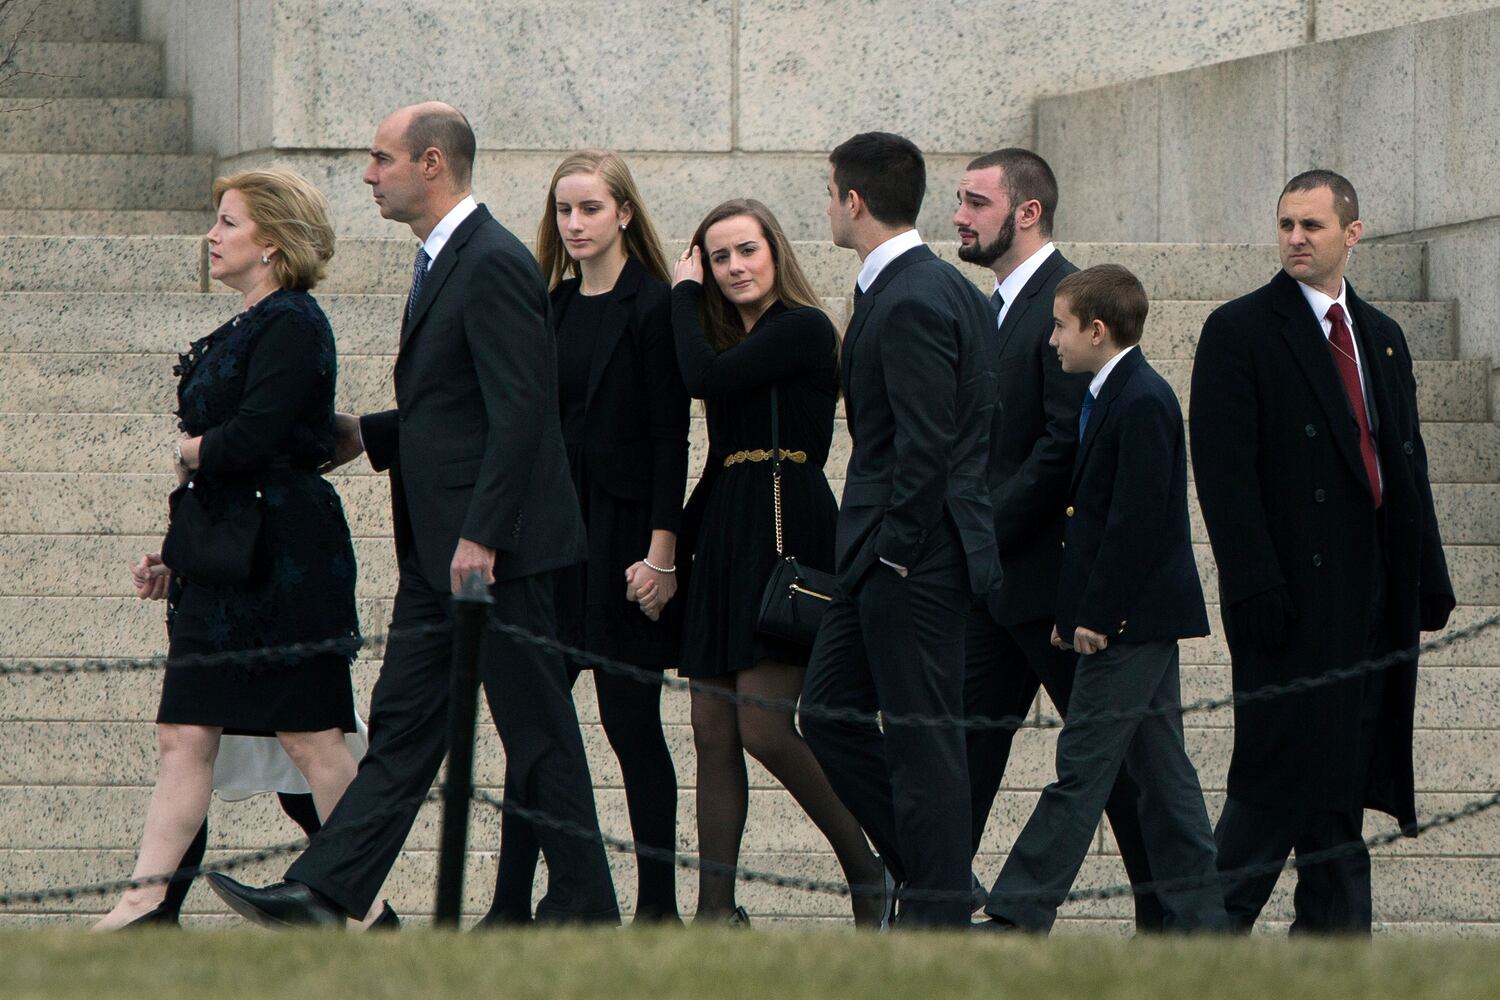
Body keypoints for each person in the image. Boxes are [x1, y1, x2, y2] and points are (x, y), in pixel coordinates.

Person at [206, 102, 619, 927]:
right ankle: (327, 892)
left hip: (490, 554)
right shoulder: (447, 259)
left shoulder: (492, 259)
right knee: (403, 727)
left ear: (432, 164)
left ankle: (585, 902)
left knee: (537, 733)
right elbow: (458, 405)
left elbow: (523, 411)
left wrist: (482, 535)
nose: (368, 175)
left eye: (381, 158)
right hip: (445, 555)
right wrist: (371, 435)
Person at [94, 168, 369, 929]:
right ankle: (143, 906)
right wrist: (175, 555)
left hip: (285, 560)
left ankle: (364, 906)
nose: (212, 236)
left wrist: (191, 450)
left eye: (228, 223)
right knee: (183, 732)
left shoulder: (293, 322)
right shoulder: (249, 324)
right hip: (226, 559)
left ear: (272, 242)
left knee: (312, 738)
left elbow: (259, 436)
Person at [1190, 170, 1455, 934]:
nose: (1296, 239)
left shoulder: (1383, 337)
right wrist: (1254, 588)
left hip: (1370, 598)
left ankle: (1329, 954)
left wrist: (1425, 574)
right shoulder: (1239, 329)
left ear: (1352, 233)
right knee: (1276, 786)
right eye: (1285, 226)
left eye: (1311, 225)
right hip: (1289, 604)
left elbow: (1405, 459)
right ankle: (1203, 942)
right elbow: (1225, 476)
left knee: (1334, 788)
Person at [979, 265, 1227, 933]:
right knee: (1165, 778)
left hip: (1130, 625)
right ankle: (1204, 923)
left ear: (1097, 329)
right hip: (1125, 618)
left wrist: (1097, 616)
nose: (1052, 340)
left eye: (1060, 327)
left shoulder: (1141, 398)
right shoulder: (1108, 392)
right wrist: (1072, 611)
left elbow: (1138, 523)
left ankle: (1016, 915)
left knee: (1081, 771)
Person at [952, 148, 1163, 928]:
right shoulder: (993, 307)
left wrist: (984, 530)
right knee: (963, 753)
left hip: (1051, 587)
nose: (959, 217)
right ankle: (934, 912)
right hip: (998, 588)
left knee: (1119, 767)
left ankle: (1167, 915)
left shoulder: (1071, 305)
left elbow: (1060, 445)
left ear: (1027, 211)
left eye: (975, 202)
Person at [800, 132, 1000, 928]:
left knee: (922, 742)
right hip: (888, 555)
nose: (828, 207)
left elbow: (929, 443)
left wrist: (893, 551)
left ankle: (938, 909)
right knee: (828, 714)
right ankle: (937, 877)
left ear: (853, 200)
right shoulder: (920, 287)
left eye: (830, 193)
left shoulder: (917, 294)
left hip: (909, 557)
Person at [486, 150, 688, 926]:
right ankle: (509, 906)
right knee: (535, 736)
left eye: (591, 209)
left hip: (628, 540)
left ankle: (658, 908)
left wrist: (661, 554)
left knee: (632, 725)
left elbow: (674, 439)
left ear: (625, 214)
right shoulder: (551, 306)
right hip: (553, 541)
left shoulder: (656, 304)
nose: (575, 224)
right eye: (565, 210)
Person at [671, 198, 885, 927]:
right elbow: (719, 459)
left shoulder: (802, 327)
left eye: (745, 252)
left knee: (764, 725)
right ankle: (714, 912)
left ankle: (869, 871)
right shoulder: (735, 339)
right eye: (719, 257)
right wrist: (670, 550)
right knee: (710, 728)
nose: (733, 268)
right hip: (727, 530)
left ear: (774, 253)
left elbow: (701, 377)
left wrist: (682, 291)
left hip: (786, 527)